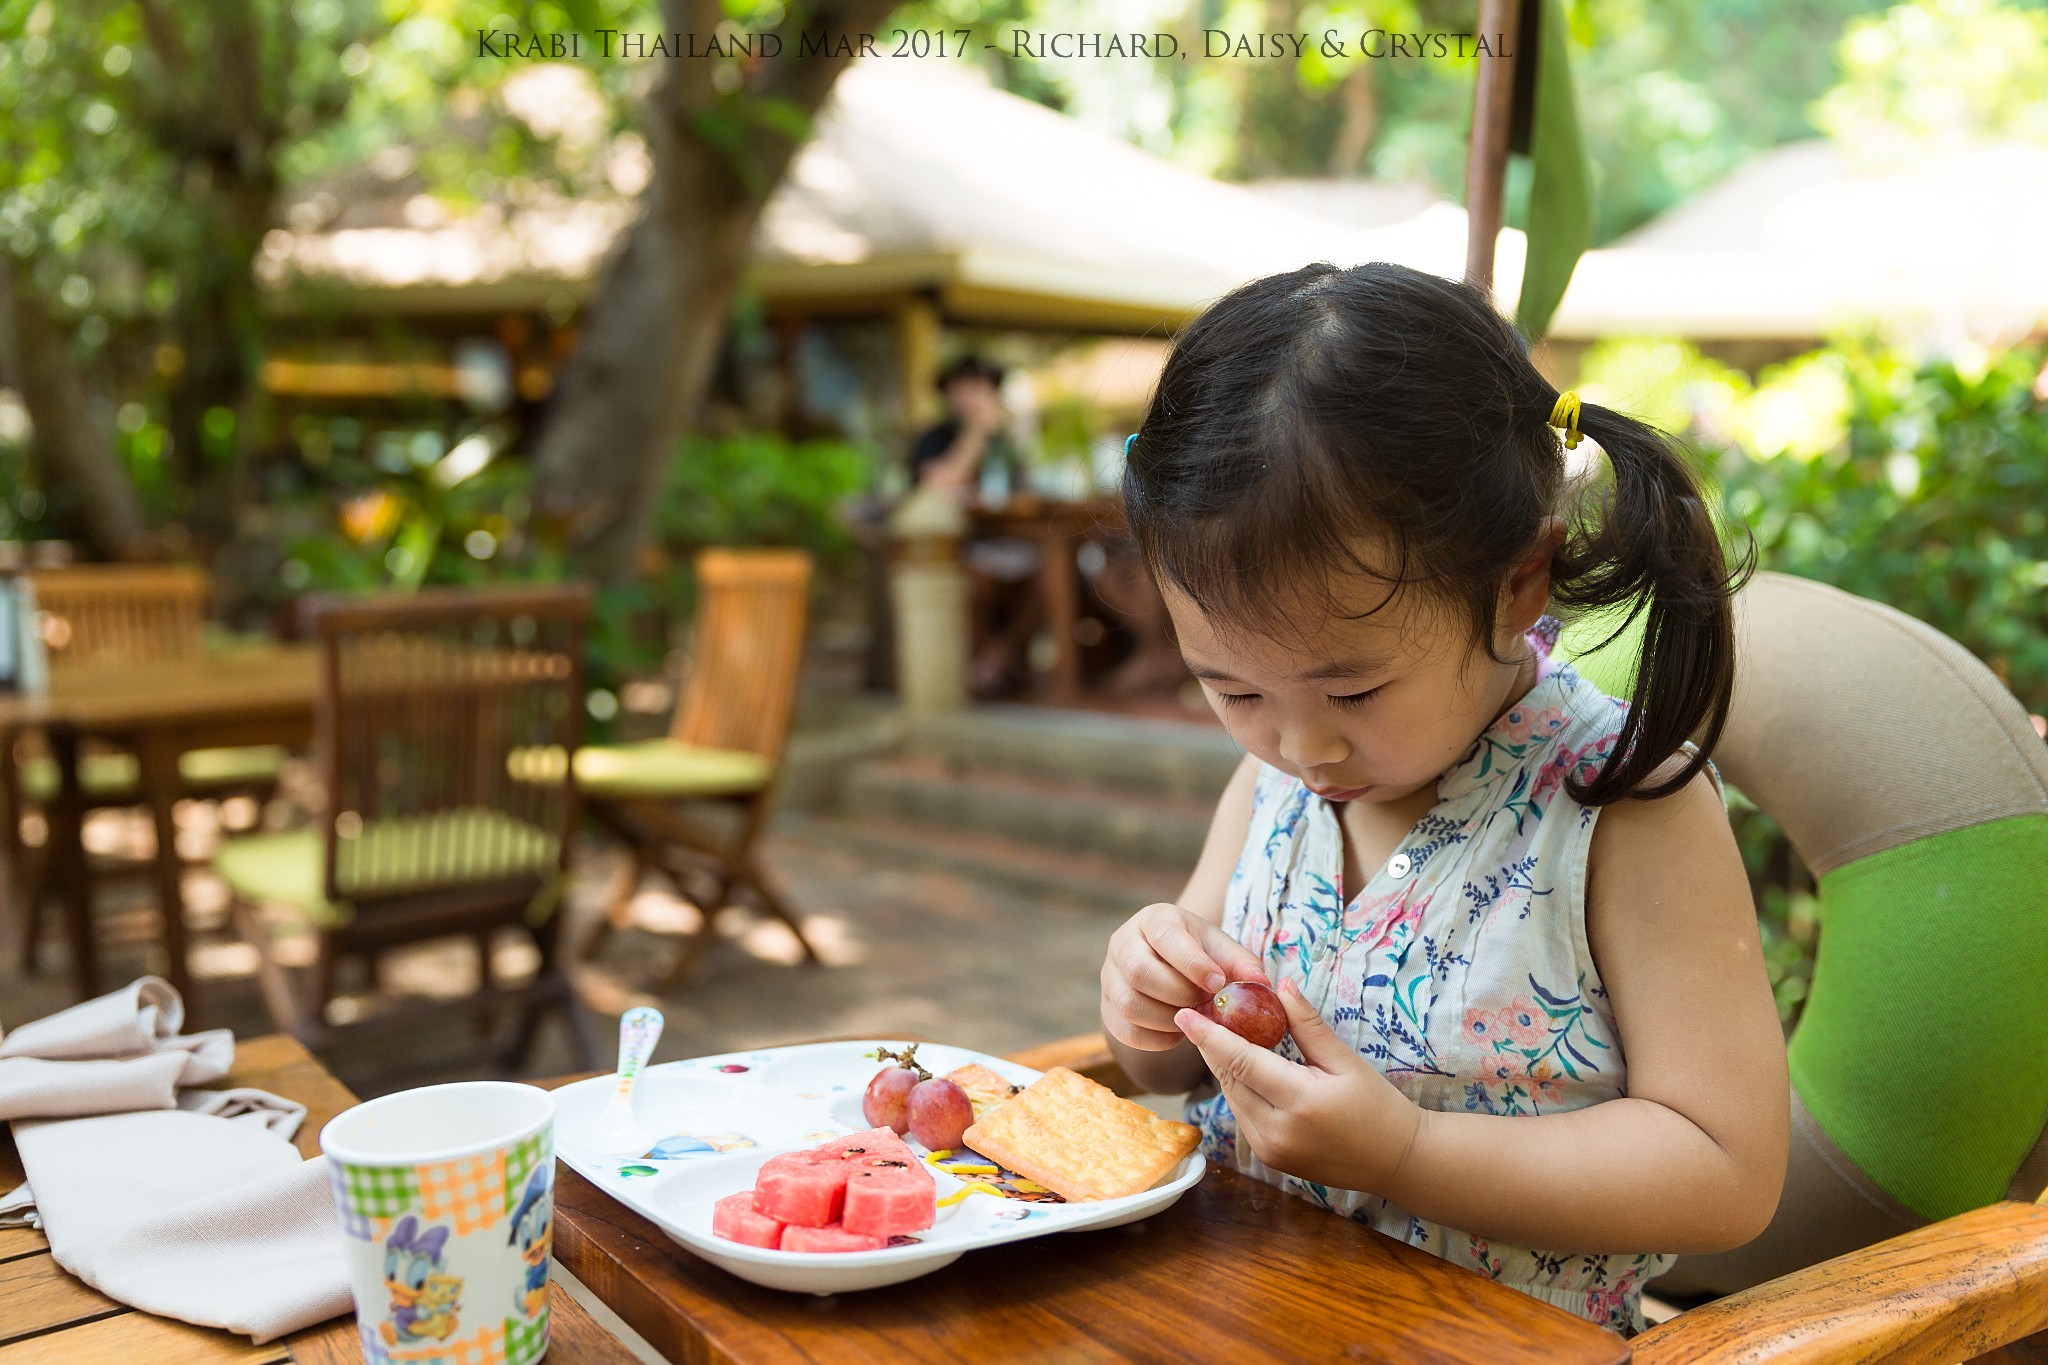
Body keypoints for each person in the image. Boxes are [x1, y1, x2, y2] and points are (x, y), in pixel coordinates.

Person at [1098, 262, 1788, 1337]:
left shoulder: (1621, 805)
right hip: (1239, 1317)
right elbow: (1166, 1061)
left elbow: (1724, 1169)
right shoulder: (1270, 787)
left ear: (1518, 584)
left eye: (1353, 686)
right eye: (1230, 688)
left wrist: (1406, 1154)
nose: (1300, 742)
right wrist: (1146, 998)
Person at [908, 355, 1042, 696]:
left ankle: (998, 659)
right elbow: (941, 482)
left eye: (981, 387)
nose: (973, 395)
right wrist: (977, 431)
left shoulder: (1006, 442)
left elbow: (1023, 493)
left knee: (1050, 577)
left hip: (1004, 539)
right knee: (976, 580)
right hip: (949, 547)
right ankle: (976, 666)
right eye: (964, 386)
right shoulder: (934, 437)